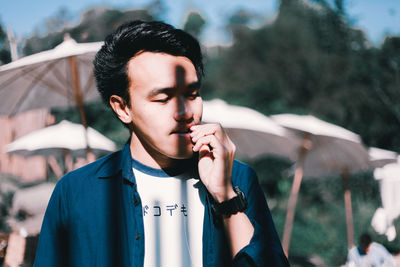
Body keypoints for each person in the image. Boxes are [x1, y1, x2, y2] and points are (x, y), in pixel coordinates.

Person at [34, 20, 289, 267]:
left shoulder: (236, 179)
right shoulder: (78, 191)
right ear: (123, 108)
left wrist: (226, 198)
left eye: (192, 94)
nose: (184, 112)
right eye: (163, 98)